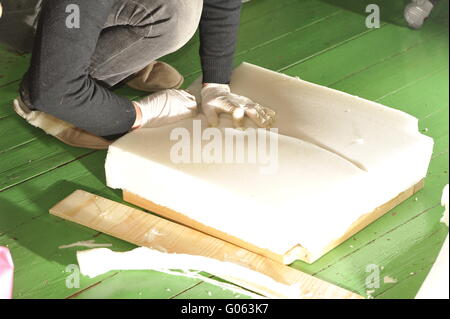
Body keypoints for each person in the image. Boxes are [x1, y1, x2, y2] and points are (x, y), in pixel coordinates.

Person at [0, 0, 275, 149]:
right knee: (173, 11)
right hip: (26, 12)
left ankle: (110, 51)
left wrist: (216, 83)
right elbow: (54, 89)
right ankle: (40, 101)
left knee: (176, 11)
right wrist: (137, 115)